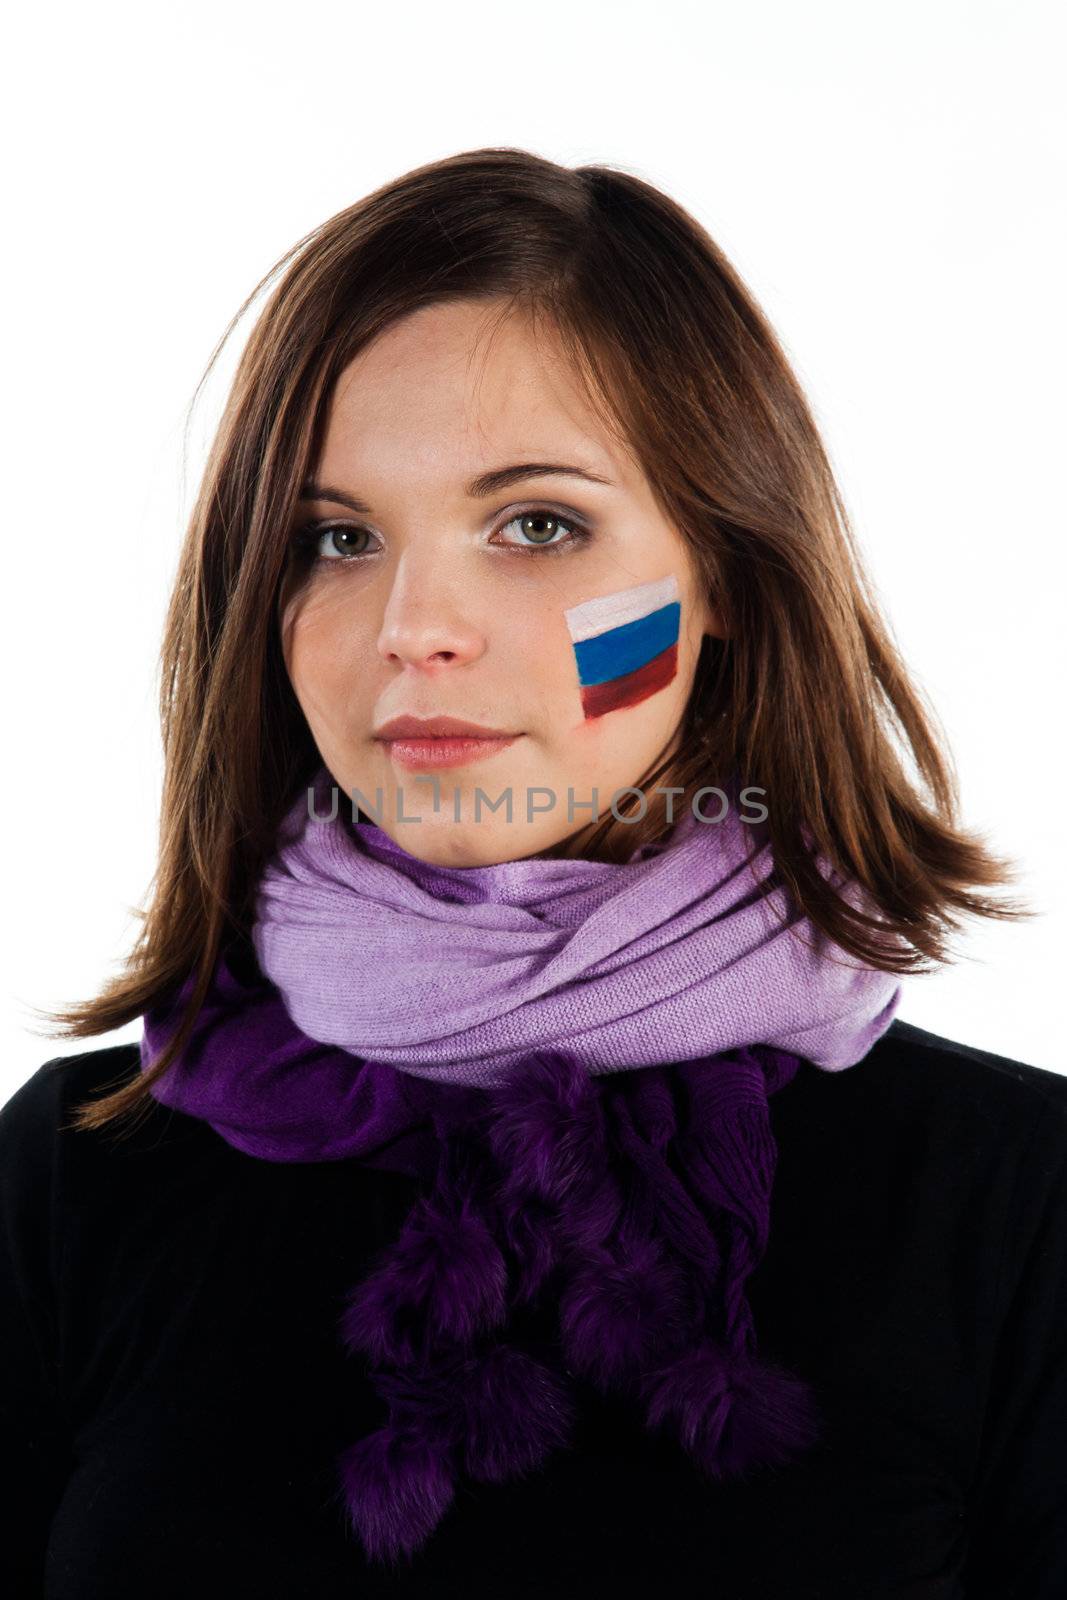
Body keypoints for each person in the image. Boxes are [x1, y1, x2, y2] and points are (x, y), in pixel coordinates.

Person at [2, 146, 1064, 1599]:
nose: (415, 625)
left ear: (728, 580)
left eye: (538, 525)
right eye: (337, 537)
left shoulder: (1017, 1202)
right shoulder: (76, 1177)